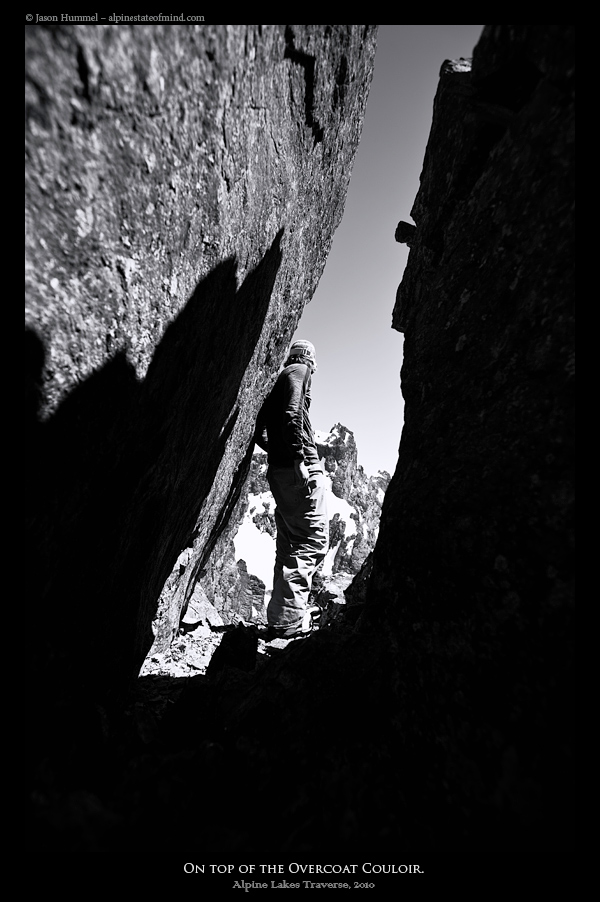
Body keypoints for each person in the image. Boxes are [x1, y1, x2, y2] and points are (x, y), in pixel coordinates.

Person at [254, 340, 329, 639]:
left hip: (279, 473)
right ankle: (289, 624)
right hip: (300, 471)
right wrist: (298, 458)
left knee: (289, 542)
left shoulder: (277, 382)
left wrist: (280, 453)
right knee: (311, 542)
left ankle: (281, 618)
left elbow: (260, 430)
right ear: (308, 358)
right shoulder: (299, 370)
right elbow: (293, 412)